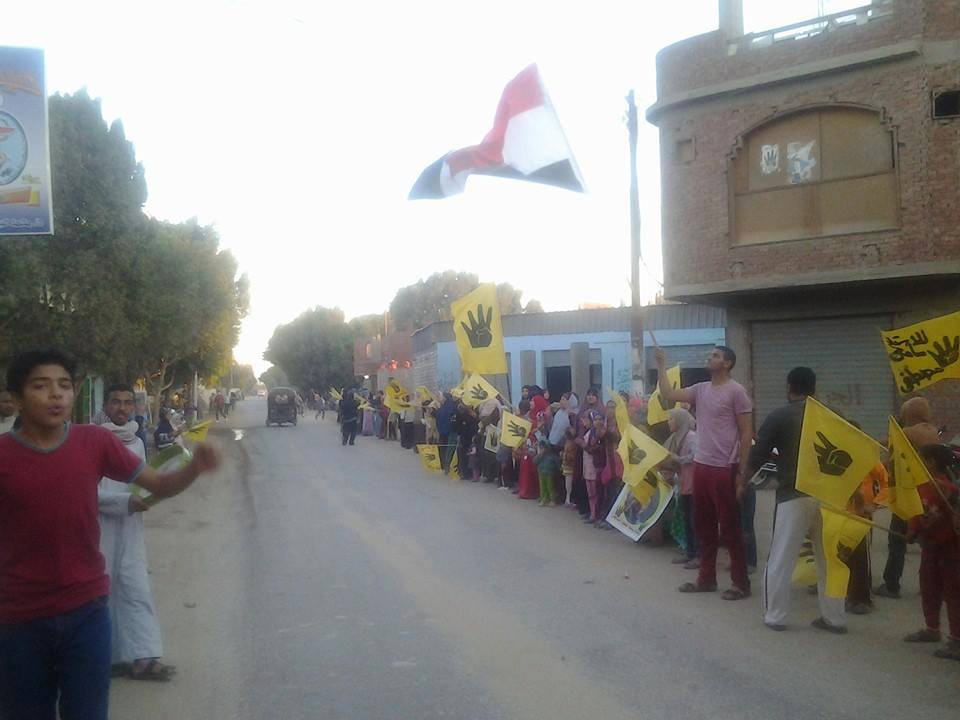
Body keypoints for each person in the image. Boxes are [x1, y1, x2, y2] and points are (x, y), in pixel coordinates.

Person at [0, 349, 220, 719]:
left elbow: (159, 484)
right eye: (41, 386)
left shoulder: (94, 442)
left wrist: (193, 469)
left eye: (64, 386)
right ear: (17, 398)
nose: (56, 395)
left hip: (86, 612)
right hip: (19, 619)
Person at [744, 366, 847, 630]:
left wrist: (748, 478)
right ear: (814, 388)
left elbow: (757, 454)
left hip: (794, 494)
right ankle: (835, 618)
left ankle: (775, 616)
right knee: (829, 560)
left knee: (781, 557)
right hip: (830, 497)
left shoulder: (780, 415)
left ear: (789, 387)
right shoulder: (833, 415)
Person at [656, 345, 753, 601]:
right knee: (703, 525)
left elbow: (746, 433)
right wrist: (662, 365)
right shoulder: (700, 390)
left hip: (724, 467)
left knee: (730, 528)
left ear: (727, 363)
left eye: (716, 355)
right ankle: (706, 578)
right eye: (710, 355)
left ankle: (741, 583)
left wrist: (742, 471)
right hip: (701, 465)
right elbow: (667, 393)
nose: (710, 358)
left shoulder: (736, 392)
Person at [97, 384, 173, 681]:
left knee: (135, 588)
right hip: (99, 528)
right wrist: (124, 502)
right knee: (102, 593)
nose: (122, 408)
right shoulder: (92, 442)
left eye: (128, 402)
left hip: (130, 528)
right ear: (106, 406)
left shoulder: (137, 441)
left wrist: (148, 497)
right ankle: (108, 658)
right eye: (116, 402)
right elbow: (87, 492)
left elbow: (141, 482)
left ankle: (145, 656)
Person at [876, 397, 941, 599]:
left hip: (911, 493)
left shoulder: (908, 432)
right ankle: (932, 584)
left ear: (909, 414)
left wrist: (868, 443)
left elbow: (891, 449)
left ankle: (891, 584)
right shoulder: (931, 431)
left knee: (897, 539)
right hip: (930, 492)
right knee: (929, 542)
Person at [902, 444, 960, 660]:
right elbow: (918, 512)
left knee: (953, 595)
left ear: (932, 462)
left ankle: (957, 639)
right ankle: (932, 628)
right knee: (929, 587)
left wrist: (915, 530)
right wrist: (913, 529)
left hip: (951, 548)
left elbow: (935, 515)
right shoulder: (926, 485)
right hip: (931, 546)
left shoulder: (944, 487)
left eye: (921, 459)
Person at [664, 408, 699, 568]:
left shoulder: (691, 437)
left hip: (694, 485)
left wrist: (679, 459)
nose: (669, 422)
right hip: (684, 484)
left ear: (679, 420)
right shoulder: (676, 439)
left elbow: (696, 456)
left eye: (671, 419)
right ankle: (690, 553)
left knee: (695, 521)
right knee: (687, 521)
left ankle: (699, 555)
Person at [534, 439, 559, 506]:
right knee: (542, 487)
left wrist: (557, 470)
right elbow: (534, 461)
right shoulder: (540, 455)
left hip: (550, 473)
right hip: (541, 472)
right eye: (541, 448)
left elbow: (557, 464)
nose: (542, 449)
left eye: (543, 447)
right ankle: (543, 499)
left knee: (550, 487)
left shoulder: (552, 456)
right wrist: (539, 456)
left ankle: (552, 500)